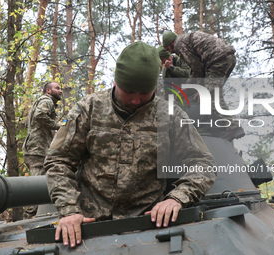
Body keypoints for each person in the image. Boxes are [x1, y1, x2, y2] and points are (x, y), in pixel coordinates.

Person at [44, 41, 216, 248]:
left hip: (149, 225)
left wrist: (177, 198)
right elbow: (59, 161)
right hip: (89, 227)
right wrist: (69, 210)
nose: (135, 101)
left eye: (144, 95)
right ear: (116, 81)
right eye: (129, 93)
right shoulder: (88, 109)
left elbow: (203, 163)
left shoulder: (170, 115)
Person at [163, 31, 245, 141]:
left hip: (216, 60)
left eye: (168, 49)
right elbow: (197, 70)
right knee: (213, 92)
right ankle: (228, 127)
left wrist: (199, 88)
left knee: (211, 95)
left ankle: (234, 127)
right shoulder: (186, 39)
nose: (171, 52)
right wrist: (188, 88)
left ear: (171, 42)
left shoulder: (179, 44)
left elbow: (197, 67)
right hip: (228, 58)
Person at [22, 81, 62, 219]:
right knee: (37, 186)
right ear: (48, 90)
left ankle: (32, 219)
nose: (60, 90)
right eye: (57, 88)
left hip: (36, 149)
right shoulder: (46, 100)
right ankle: (27, 220)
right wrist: (58, 126)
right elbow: (40, 116)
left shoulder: (41, 101)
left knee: (42, 184)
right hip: (37, 150)